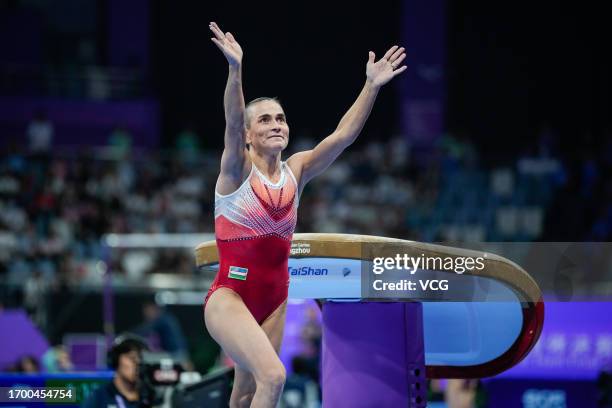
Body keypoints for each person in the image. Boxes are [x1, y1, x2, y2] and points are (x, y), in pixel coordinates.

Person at [203, 21, 406, 408]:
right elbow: (231, 121)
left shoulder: (297, 170)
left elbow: (343, 136)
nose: (276, 125)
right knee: (274, 377)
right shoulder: (237, 171)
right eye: (265, 120)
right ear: (248, 135)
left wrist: (371, 86)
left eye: (280, 119)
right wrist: (235, 69)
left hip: (275, 299)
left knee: (246, 392)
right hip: (230, 297)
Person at [82, 334, 149, 408]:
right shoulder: (99, 397)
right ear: (115, 360)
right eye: (132, 357)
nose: (138, 363)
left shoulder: (150, 397)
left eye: (141, 359)